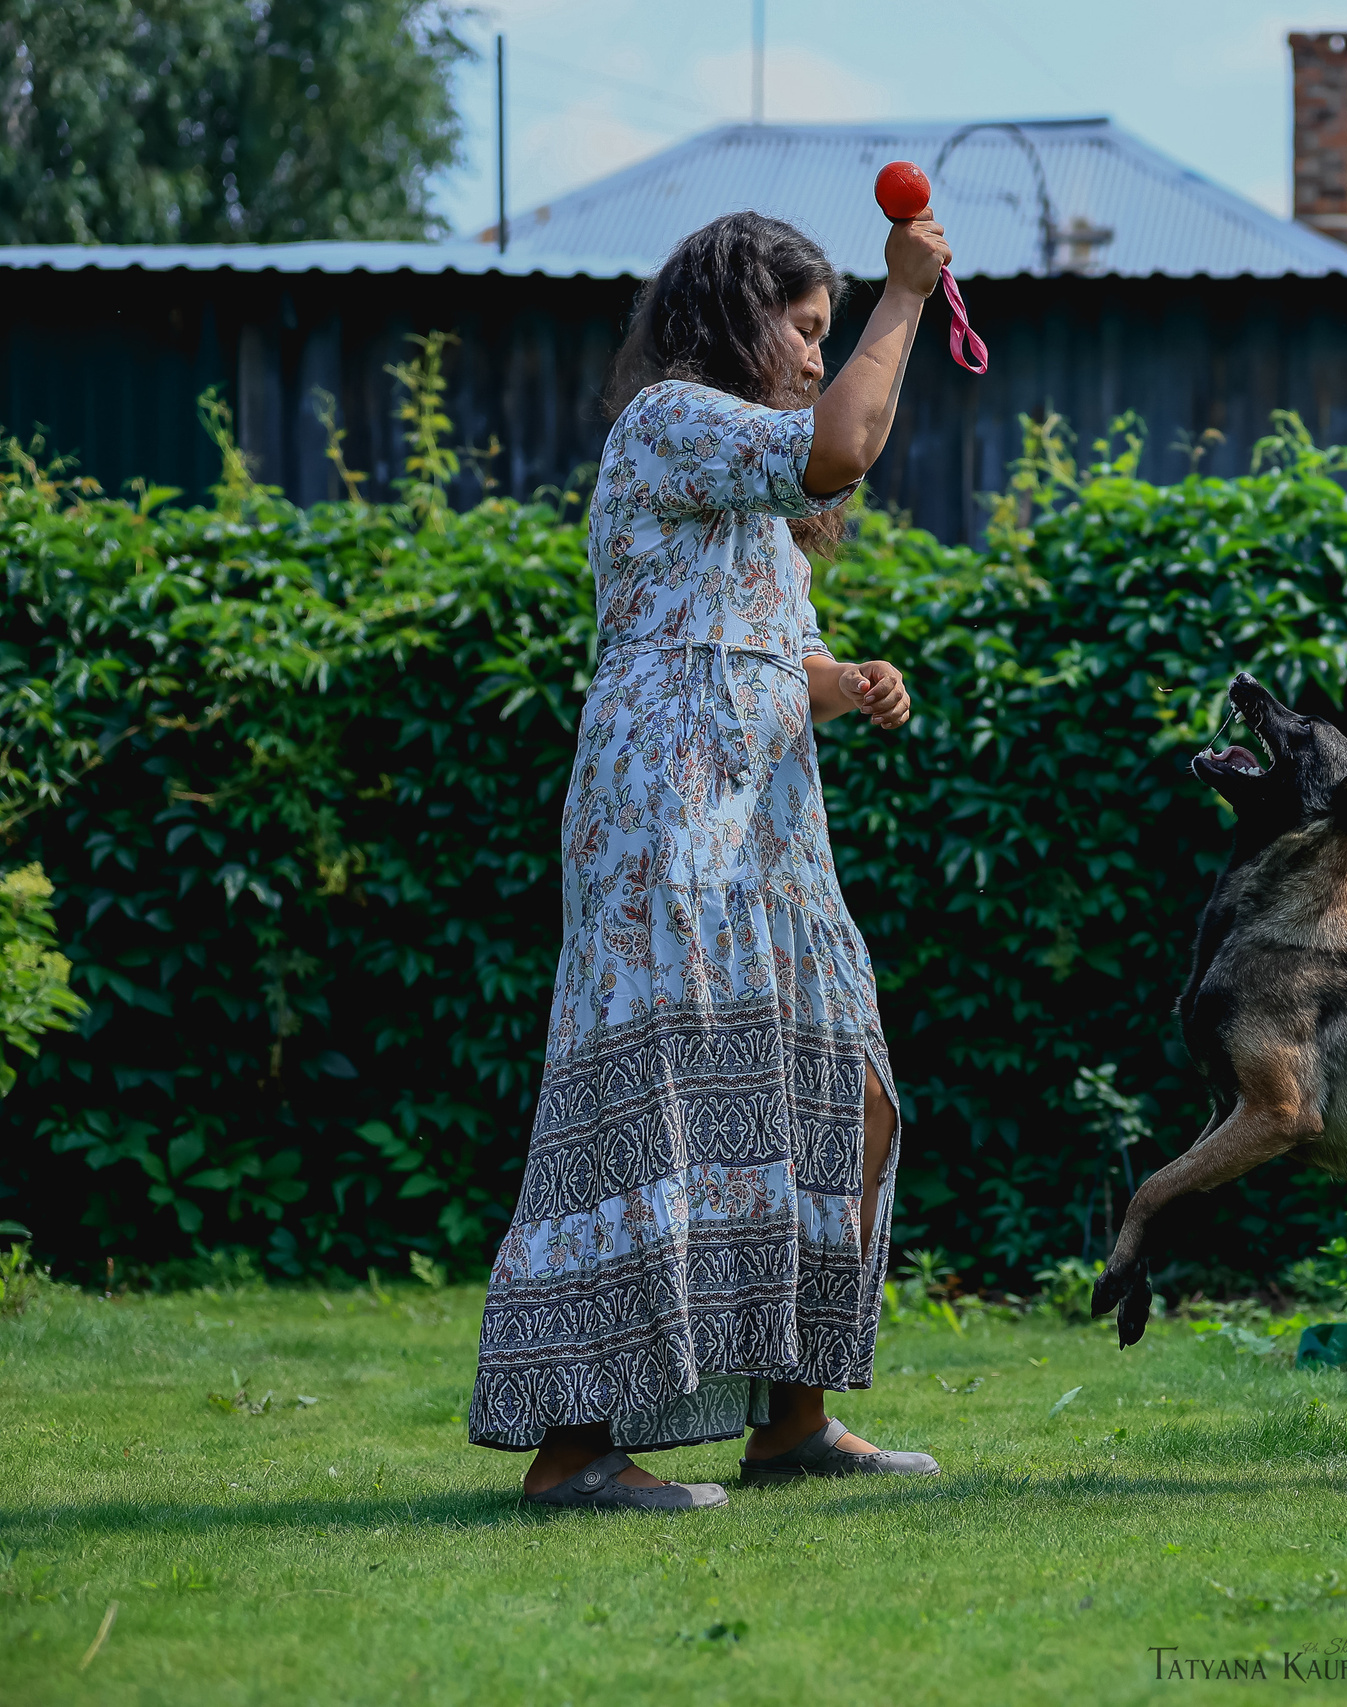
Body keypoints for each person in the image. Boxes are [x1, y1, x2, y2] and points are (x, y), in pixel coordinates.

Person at [465, 207, 952, 1510]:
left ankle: (794, 1421)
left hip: (769, 812)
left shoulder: (745, 497)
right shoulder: (671, 418)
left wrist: (843, 680)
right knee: (660, 1089)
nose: (818, 355)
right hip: (666, 796)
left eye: (831, 333)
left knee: (840, 1081)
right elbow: (840, 448)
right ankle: (574, 1450)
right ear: (739, 320)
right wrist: (906, 296)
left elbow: (767, 648)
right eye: (805, 328)